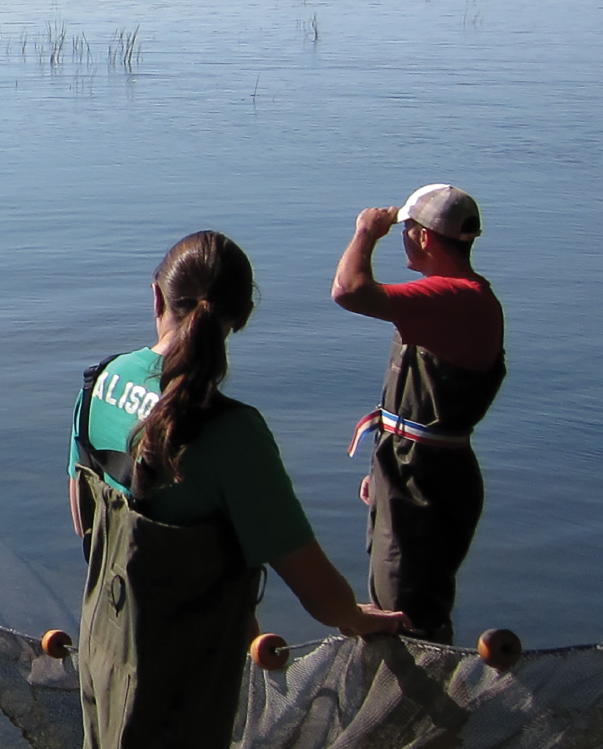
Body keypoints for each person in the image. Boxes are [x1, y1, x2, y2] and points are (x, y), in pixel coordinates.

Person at [68, 231, 405, 749]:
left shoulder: (100, 382)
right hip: (180, 678)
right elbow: (317, 592)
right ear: (242, 317)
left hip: (101, 648)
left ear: (156, 296)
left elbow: (85, 522)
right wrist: (358, 618)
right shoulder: (232, 433)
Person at [331, 184, 505, 645]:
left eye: (407, 229)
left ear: (425, 238)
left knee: (406, 616)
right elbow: (412, 406)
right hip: (409, 468)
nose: (403, 236)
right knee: (395, 599)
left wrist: (365, 234)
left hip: (424, 482)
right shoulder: (452, 298)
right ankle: (409, 706)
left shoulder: (456, 297)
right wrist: (382, 468)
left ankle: (420, 711)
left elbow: (349, 290)